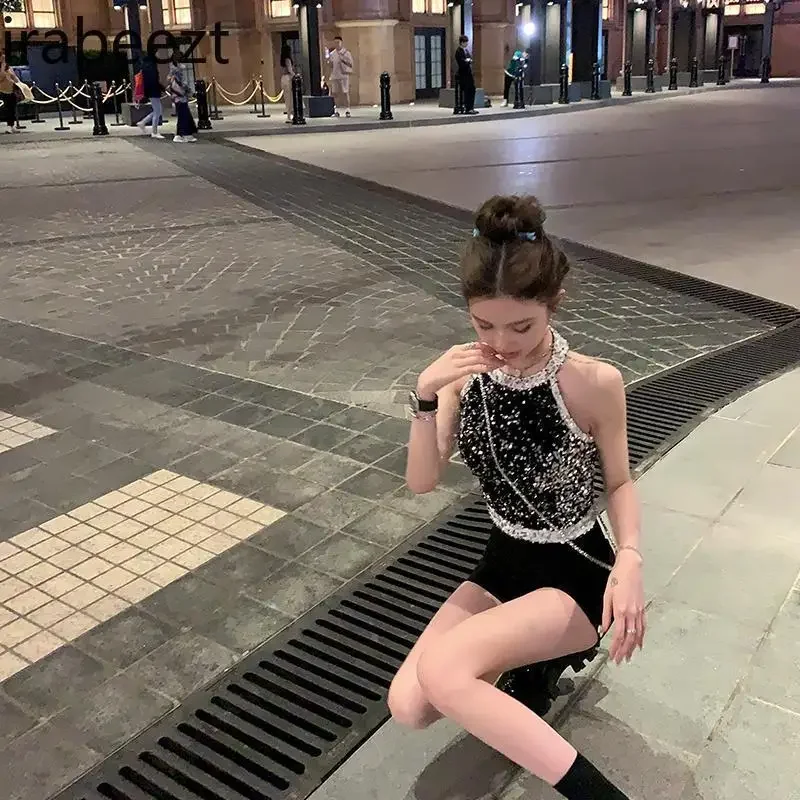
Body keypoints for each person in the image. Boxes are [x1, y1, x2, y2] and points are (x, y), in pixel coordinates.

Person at [389, 194, 645, 799]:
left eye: (521, 326)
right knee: (410, 706)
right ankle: (533, 660)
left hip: (575, 568)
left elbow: (619, 481)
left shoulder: (593, 382)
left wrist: (632, 558)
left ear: (553, 304)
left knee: (446, 671)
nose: (501, 341)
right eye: (484, 325)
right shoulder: (465, 378)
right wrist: (425, 397)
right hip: (503, 559)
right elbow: (421, 482)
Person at [167, 53, 197, 143]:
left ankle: (183, 134)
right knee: (183, 115)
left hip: (178, 96)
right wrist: (189, 91)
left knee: (183, 115)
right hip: (180, 95)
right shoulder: (178, 70)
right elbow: (182, 83)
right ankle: (182, 134)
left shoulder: (173, 69)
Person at [136, 54, 166, 139]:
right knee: (158, 111)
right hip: (154, 91)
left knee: (157, 110)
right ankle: (154, 131)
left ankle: (143, 122)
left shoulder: (145, 68)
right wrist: (161, 88)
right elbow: (154, 81)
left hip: (150, 91)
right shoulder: (152, 69)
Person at [326, 35, 354, 118]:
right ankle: (337, 110)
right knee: (335, 94)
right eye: (335, 42)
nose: (337, 44)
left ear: (341, 43)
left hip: (343, 75)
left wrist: (343, 59)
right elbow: (330, 65)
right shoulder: (332, 54)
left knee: (345, 92)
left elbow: (351, 64)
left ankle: (348, 110)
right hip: (335, 75)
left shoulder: (346, 53)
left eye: (338, 42)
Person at [455, 35, 477, 114]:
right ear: (462, 42)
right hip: (463, 74)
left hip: (469, 73)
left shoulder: (466, 50)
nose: (467, 44)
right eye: (465, 42)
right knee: (467, 91)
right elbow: (461, 62)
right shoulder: (458, 51)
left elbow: (470, 58)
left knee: (472, 89)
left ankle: (471, 107)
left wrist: (469, 60)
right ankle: (467, 108)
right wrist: (466, 61)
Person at [0, 52, 21, 134]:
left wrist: (19, 84)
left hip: (11, 90)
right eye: (2, 57)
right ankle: (9, 126)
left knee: (12, 109)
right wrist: (2, 65)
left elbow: (14, 76)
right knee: (7, 109)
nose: (3, 58)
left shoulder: (8, 67)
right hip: (3, 90)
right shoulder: (2, 68)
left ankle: (12, 126)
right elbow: (1, 76)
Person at [280, 44, 295, 123]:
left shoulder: (281, 60)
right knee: (290, 98)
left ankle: (289, 115)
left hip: (283, 78)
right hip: (288, 78)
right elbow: (290, 70)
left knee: (286, 98)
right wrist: (295, 75)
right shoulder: (288, 60)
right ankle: (290, 115)